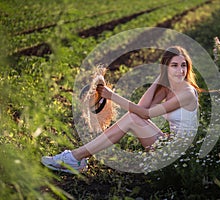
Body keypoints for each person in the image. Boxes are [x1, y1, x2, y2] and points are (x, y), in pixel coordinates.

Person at [41, 46, 204, 174]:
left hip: (180, 156)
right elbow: (141, 107)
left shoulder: (187, 93)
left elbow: (146, 114)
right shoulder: (167, 88)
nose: (180, 71)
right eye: (174, 66)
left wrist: (112, 96)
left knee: (133, 118)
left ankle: (76, 157)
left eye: (183, 65)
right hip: (170, 144)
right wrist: (160, 78)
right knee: (133, 116)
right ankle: (77, 157)